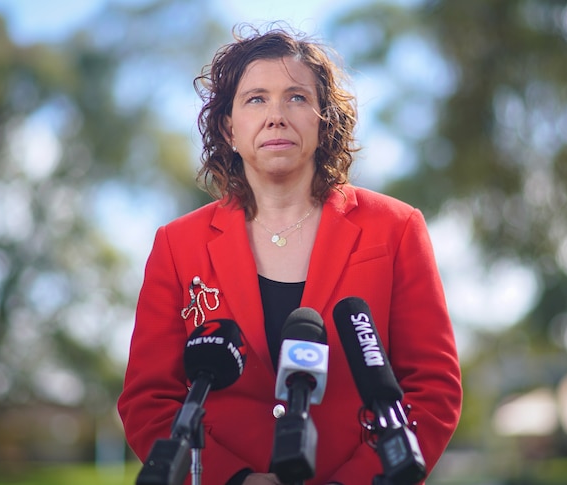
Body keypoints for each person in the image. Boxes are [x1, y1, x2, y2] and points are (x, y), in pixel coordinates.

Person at [117, 23, 462, 485]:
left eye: (296, 98)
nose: (276, 115)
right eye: (256, 99)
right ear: (229, 128)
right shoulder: (177, 246)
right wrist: (235, 481)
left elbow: (432, 391)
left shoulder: (396, 229)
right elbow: (149, 401)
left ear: (325, 121)